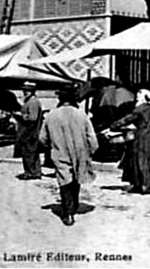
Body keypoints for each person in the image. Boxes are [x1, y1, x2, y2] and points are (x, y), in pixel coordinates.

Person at [39, 86, 98, 226]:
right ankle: (74, 204)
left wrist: (51, 144)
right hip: (80, 151)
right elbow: (92, 138)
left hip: (59, 151)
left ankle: (68, 212)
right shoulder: (81, 115)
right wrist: (92, 150)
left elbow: (42, 138)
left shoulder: (51, 115)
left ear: (60, 98)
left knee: (64, 179)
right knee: (76, 177)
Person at [103, 87, 150, 194]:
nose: (136, 99)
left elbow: (127, 119)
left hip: (141, 137)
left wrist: (113, 125)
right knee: (148, 161)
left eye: (138, 96)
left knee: (138, 161)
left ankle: (140, 184)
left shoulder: (140, 109)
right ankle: (145, 183)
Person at [13, 81, 44, 180]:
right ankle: (35, 172)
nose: (25, 92)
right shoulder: (31, 101)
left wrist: (20, 116)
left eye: (27, 90)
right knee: (33, 153)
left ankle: (30, 173)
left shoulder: (33, 102)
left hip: (30, 131)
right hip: (30, 131)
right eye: (24, 90)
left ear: (32, 91)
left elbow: (32, 118)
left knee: (29, 153)